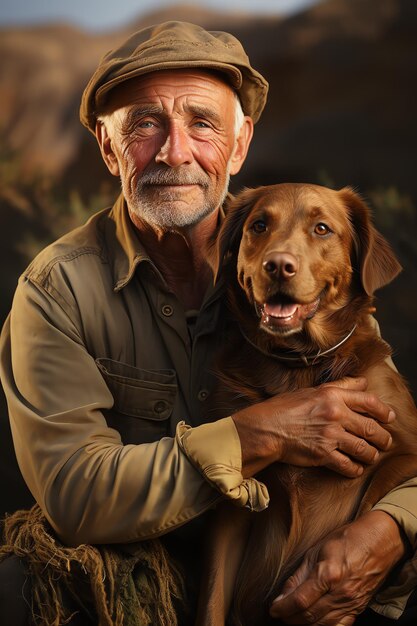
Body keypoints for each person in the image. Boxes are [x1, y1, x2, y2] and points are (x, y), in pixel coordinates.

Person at [0, 20, 416, 626]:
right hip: (142, 563)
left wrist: (389, 531)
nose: (175, 151)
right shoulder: (56, 290)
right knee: (16, 587)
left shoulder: (314, 290)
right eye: (144, 123)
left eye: (202, 123)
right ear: (107, 146)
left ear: (240, 143)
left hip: (292, 565)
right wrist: (257, 434)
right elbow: (73, 492)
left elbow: (400, 451)